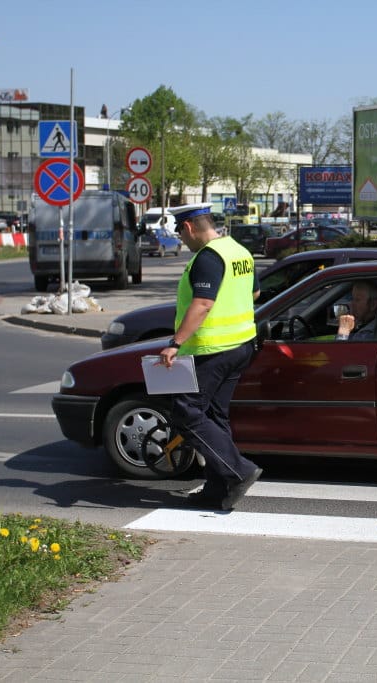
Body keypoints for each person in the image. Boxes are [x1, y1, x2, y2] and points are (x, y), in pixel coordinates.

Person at [158, 203, 263, 511]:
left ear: (189, 227)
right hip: (241, 345)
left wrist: (175, 343)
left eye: (179, 232)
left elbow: (203, 303)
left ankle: (238, 470)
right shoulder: (238, 251)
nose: (181, 239)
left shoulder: (208, 257)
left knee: (185, 413)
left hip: (212, 349)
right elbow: (254, 293)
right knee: (215, 417)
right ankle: (217, 489)